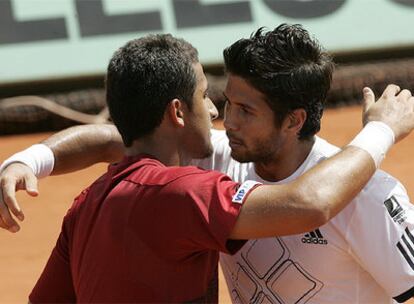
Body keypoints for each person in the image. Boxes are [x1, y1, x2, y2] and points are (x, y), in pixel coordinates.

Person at [1, 26, 414, 303]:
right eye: (220, 101)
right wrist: (381, 132)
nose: (223, 118)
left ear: (294, 120)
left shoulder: (369, 194)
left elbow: (116, 140)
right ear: (178, 113)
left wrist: (29, 160)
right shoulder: (207, 167)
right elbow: (309, 202)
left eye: (245, 111)